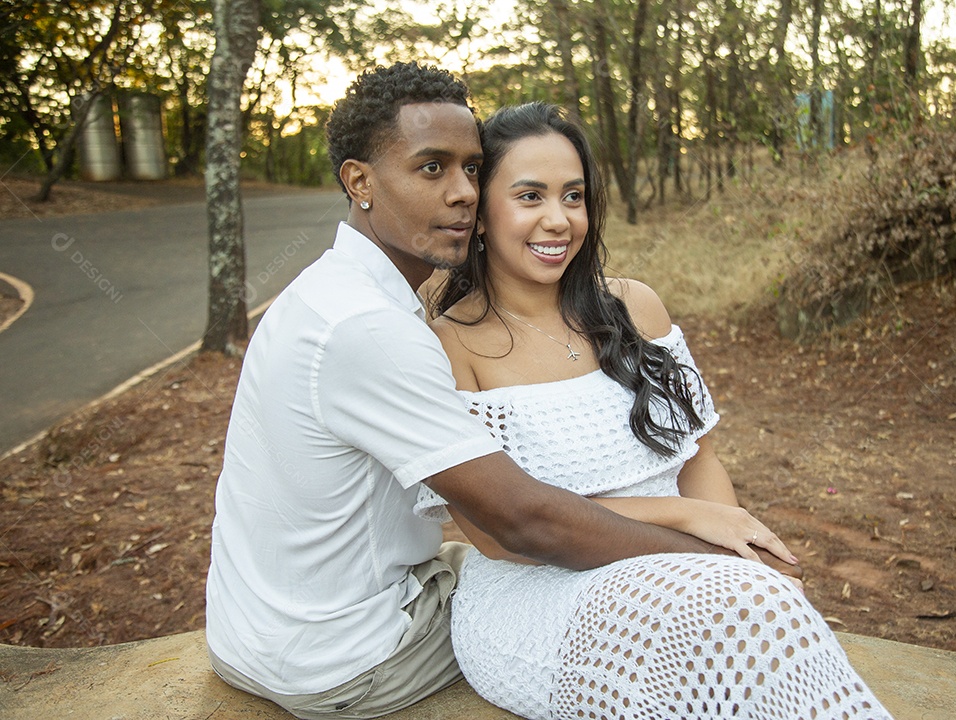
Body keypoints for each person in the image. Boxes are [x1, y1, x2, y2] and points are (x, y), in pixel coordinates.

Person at [205, 63, 801, 720]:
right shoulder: (377, 331)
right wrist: (715, 556)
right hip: (352, 655)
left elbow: (686, 458)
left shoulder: (331, 293)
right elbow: (521, 524)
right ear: (359, 180)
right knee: (574, 613)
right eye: (432, 168)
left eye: (469, 169)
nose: (460, 191)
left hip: (261, 625)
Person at [420, 102, 894, 720]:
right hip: (539, 597)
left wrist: (739, 545)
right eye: (529, 196)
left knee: (762, 617)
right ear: (481, 215)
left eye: (574, 196)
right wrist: (691, 523)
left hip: (683, 565)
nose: (558, 220)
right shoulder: (453, 345)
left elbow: (697, 458)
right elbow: (497, 535)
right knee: (739, 628)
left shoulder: (636, 308)